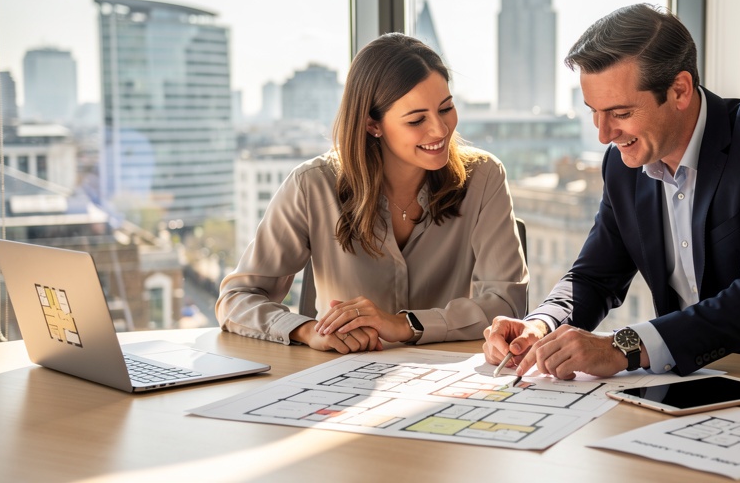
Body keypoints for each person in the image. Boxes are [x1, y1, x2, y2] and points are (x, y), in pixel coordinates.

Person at [483, 3, 740, 384]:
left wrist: (622, 348)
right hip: (701, 381)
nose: (604, 134)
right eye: (594, 112)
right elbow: (594, 276)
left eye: (621, 113)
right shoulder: (624, 166)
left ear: (679, 90)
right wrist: (541, 324)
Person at [217, 33, 528, 353]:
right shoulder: (312, 185)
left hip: (445, 381)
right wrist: (307, 330)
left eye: (446, 108)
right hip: (342, 381)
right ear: (372, 125)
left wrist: (405, 325)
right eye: (417, 119)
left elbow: (507, 304)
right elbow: (236, 298)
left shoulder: (484, 176)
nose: (440, 129)